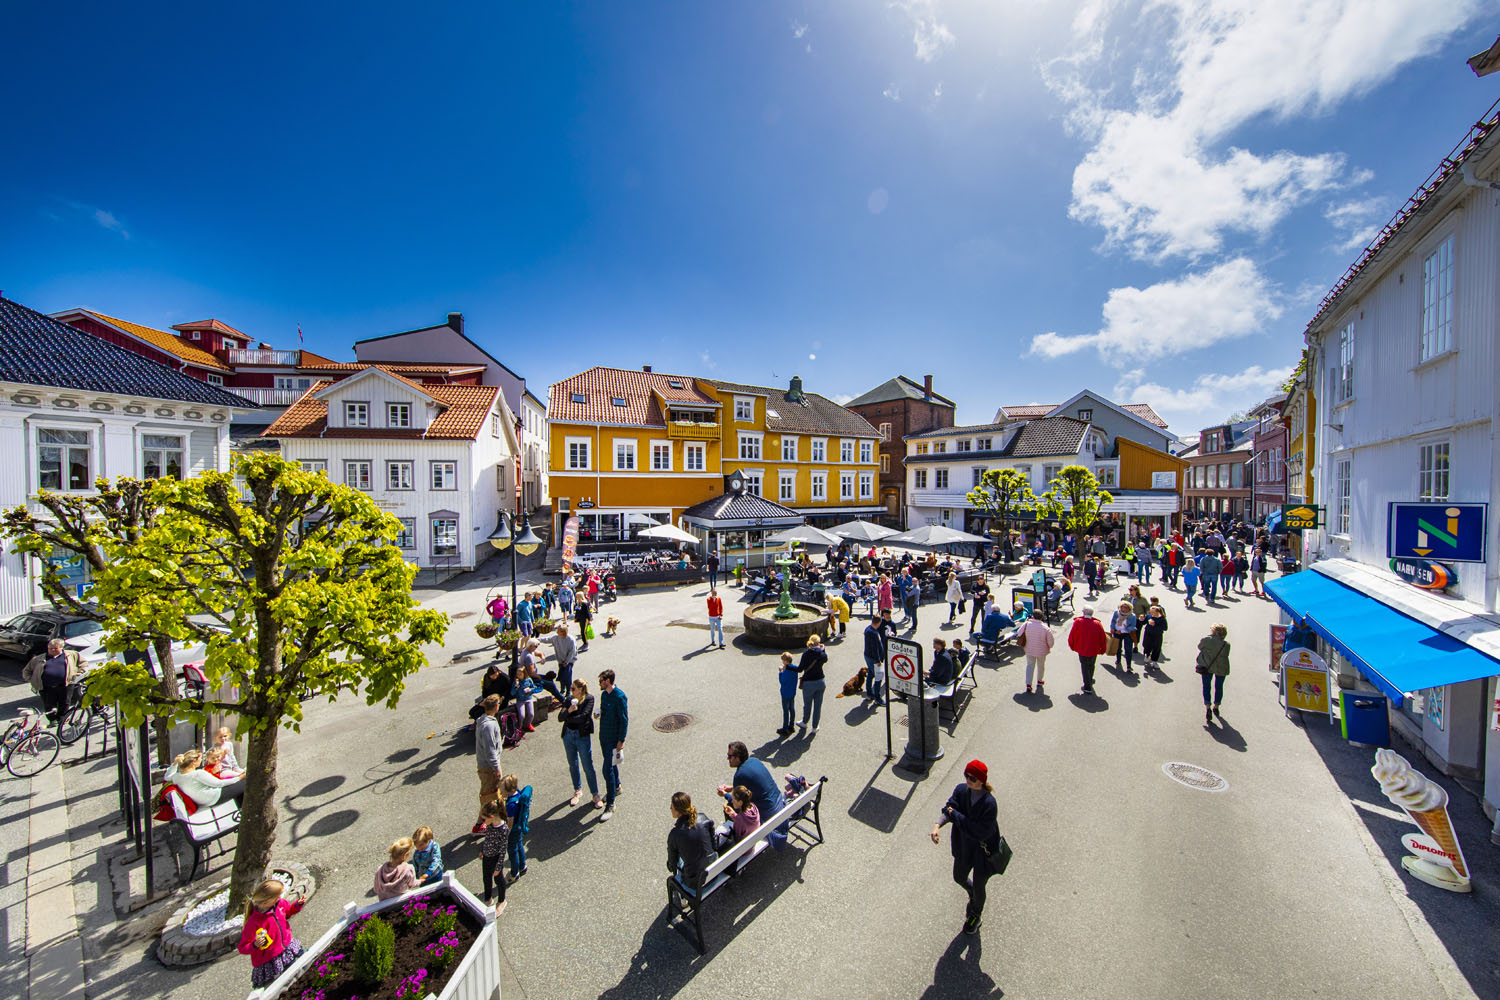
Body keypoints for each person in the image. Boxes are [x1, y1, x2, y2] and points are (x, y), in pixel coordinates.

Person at [930, 760, 1001, 935]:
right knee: (959, 877)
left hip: (982, 851)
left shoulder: (989, 804)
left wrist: (956, 816)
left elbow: (979, 832)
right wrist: (937, 825)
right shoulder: (961, 790)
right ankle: (973, 896)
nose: (969, 780)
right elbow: (948, 809)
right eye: (966, 776)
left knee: (979, 885)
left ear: (982, 780)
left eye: (973, 778)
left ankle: (975, 915)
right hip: (964, 846)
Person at [718, 742, 788, 850]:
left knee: (729, 807)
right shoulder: (755, 761)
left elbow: (736, 802)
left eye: (730, 756)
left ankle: (737, 841)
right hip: (780, 803)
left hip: (770, 815)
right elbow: (754, 783)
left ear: (738, 758)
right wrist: (732, 788)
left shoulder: (739, 775)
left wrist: (725, 794)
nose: (728, 759)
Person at [238, 877, 305, 989]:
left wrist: (296, 906)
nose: (280, 898)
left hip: (287, 948)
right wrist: (254, 944)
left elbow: (287, 913)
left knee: (298, 973)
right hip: (270, 960)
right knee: (281, 985)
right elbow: (242, 947)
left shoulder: (279, 904)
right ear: (266, 901)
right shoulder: (253, 923)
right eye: (277, 896)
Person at [666, 791, 719, 897]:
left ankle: (684, 900)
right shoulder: (703, 818)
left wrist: (670, 866)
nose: (670, 808)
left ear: (678, 811)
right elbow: (714, 845)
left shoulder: (675, 834)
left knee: (678, 863)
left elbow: (672, 863)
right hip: (714, 873)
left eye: (672, 806)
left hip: (696, 883)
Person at [23, 638, 82, 723]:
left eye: (55, 648)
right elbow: (26, 671)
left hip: (66, 684)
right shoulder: (38, 659)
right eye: (50, 648)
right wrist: (32, 680)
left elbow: (83, 663)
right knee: (49, 704)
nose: (52, 650)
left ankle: (62, 718)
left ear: (61, 647)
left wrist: (78, 672)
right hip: (46, 686)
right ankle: (52, 720)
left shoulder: (72, 655)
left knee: (65, 703)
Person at [165, 748, 245, 807]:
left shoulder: (177, 777)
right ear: (194, 762)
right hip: (212, 798)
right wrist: (240, 777)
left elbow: (167, 777)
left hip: (201, 800)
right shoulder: (198, 774)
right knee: (244, 782)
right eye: (200, 759)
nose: (201, 760)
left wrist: (175, 763)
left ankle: (241, 810)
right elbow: (219, 784)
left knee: (237, 788)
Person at [598, 669, 628, 821]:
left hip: (613, 739)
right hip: (604, 736)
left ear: (608, 681)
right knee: (611, 765)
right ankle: (617, 787)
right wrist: (598, 714)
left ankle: (610, 804)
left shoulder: (619, 697)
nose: (600, 683)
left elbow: (624, 720)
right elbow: (604, 711)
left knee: (606, 770)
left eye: (601, 680)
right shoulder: (604, 695)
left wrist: (621, 740)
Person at [472, 694, 502, 835]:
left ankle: (495, 820)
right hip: (488, 767)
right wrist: (496, 768)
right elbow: (490, 750)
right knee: (488, 797)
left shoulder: (482, 720)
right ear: (496, 706)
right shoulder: (489, 725)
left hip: (486, 765)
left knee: (492, 795)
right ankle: (479, 826)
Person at [477, 799, 510, 913]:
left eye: (484, 819)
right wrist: (483, 850)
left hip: (495, 858)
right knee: (486, 878)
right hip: (487, 856)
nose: (483, 821)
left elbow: (502, 850)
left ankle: (502, 900)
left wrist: (498, 867)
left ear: (492, 816)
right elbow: (487, 840)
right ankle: (488, 898)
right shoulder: (490, 825)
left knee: (498, 879)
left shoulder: (503, 829)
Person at [1068, 607, 1107, 694]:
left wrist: (1072, 645)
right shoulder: (1097, 624)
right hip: (1094, 649)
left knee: (1084, 666)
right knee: (1091, 665)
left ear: (1084, 612)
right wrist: (1103, 649)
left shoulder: (1078, 622)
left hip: (1082, 648)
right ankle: (1089, 679)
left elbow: (1072, 635)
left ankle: (1087, 686)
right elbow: (1103, 638)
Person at [1197, 624, 1232, 724]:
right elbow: (1226, 654)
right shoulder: (1226, 644)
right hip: (1221, 668)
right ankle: (1216, 706)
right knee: (1219, 687)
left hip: (1207, 666)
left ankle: (1207, 706)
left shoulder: (1206, 640)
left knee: (1206, 686)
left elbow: (1200, 647)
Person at [501, 773, 532, 881]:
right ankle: (522, 866)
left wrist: (506, 833)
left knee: (512, 851)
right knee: (519, 845)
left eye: (502, 790)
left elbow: (510, 822)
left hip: (513, 830)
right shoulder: (518, 794)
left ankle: (514, 873)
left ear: (508, 790)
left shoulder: (510, 805)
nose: (500, 792)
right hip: (519, 827)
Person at [795, 634, 828, 734]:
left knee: (807, 704)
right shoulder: (821, 654)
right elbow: (825, 659)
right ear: (819, 643)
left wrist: (788, 667)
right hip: (820, 681)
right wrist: (823, 650)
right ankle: (815, 726)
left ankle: (805, 722)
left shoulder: (806, 654)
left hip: (809, 682)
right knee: (818, 706)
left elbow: (800, 669)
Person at [715, 785, 760, 851]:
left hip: (744, 850)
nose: (732, 801)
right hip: (752, 843)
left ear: (740, 802)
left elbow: (737, 838)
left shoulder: (740, 819)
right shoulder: (753, 807)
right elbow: (744, 821)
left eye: (733, 800)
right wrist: (733, 814)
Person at [374, 836, 418, 901]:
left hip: (385, 906)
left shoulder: (379, 871)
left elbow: (376, 889)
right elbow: (413, 884)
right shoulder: (408, 869)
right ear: (405, 855)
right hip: (403, 903)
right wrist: (421, 880)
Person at [1018, 614, 1053, 694]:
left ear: (1033, 616)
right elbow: (1051, 643)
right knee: (1041, 666)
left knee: (1030, 666)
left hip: (1029, 649)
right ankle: (1039, 681)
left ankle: (1028, 684)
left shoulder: (1027, 624)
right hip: (1041, 651)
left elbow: (1019, 633)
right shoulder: (1045, 628)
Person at [540, 624, 576, 702]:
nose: (557, 632)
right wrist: (538, 640)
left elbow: (572, 652)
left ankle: (568, 691)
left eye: (559, 630)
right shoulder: (556, 638)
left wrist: (566, 662)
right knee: (562, 674)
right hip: (560, 660)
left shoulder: (570, 640)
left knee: (567, 675)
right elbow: (547, 639)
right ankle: (562, 689)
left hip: (569, 660)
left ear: (563, 632)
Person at [1110, 601, 1138, 674]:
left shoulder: (1132, 616)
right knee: (1118, 648)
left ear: (1129, 609)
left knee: (1128, 649)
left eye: (1125, 607)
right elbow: (1113, 621)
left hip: (1127, 634)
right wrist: (1112, 628)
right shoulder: (1116, 613)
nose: (1123, 609)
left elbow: (1133, 626)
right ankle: (1118, 659)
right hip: (1117, 633)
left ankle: (1129, 665)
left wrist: (1125, 629)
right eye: (1122, 607)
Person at [863, 616, 887, 704]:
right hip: (874, 658)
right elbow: (875, 648)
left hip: (867, 655)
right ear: (879, 623)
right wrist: (878, 660)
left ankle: (869, 693)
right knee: (879, 677)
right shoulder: (873, 633)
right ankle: (877, 698)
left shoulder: (868, 629)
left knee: (871, 674)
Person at [775, 652, 798, 737]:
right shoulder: (794, 668)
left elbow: (782, 681)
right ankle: (791, 726)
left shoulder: (786, 671)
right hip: (792, 692)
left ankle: (785, 728)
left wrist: (781, 672)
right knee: (792, 709)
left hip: (785, 693)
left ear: (785, 661)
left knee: (785, 711)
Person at [1141, 605, 1168, 671]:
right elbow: (1143, 623)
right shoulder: (1149, 616)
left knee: (1156, 648)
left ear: (1157, 612)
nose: (1151, 614)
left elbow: (1165, 628)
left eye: (1153, 612)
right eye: (1151, 612)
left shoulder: (1162, 619)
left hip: (1157, 636)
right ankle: (1147, 655)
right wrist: (1141, 620)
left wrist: (1154, 625)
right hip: (1148, 634)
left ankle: (1154, 661)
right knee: (1146, 645)